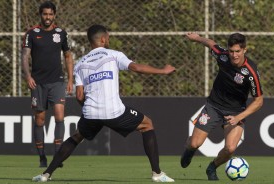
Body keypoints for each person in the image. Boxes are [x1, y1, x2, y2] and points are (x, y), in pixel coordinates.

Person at [32, 24, 175, 182]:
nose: (108, 39)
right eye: (108, 37)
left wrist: (92, 111)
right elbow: (135, 67)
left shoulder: (80, 64)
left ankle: (46, 174)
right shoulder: (113, 55)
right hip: (114, 111)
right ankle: (157, 173)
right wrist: (163, 70)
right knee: (147, 124)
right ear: (103, 39)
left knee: (76, 137)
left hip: (90, 113)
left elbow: (79, 96)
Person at [180, 32, 263, 180]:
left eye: (237, 51)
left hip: (236, 112)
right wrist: (197, 38)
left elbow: (259, 101)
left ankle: (212, 167)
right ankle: (189, 150)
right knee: (195, 143)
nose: (234, 55)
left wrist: (239, 117)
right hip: (213, 106)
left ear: (244, 50)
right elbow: (211, 44)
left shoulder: (250, 73)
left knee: (230, 148)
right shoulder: (222, 56)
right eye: (231, 51)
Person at [22, 1, 73, 167]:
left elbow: (68, 56)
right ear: (40, 15)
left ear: (54, 15)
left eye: (51, 14)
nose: (48, 17)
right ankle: (42, 157)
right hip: (38, 83)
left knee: (59, 115)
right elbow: (24, 57)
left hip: (57, 81)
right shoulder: (31, 33)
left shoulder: (61, 33)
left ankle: (58, 156)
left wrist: (71, 79)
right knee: (40, 120)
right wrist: (28, 76)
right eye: (45, 14)